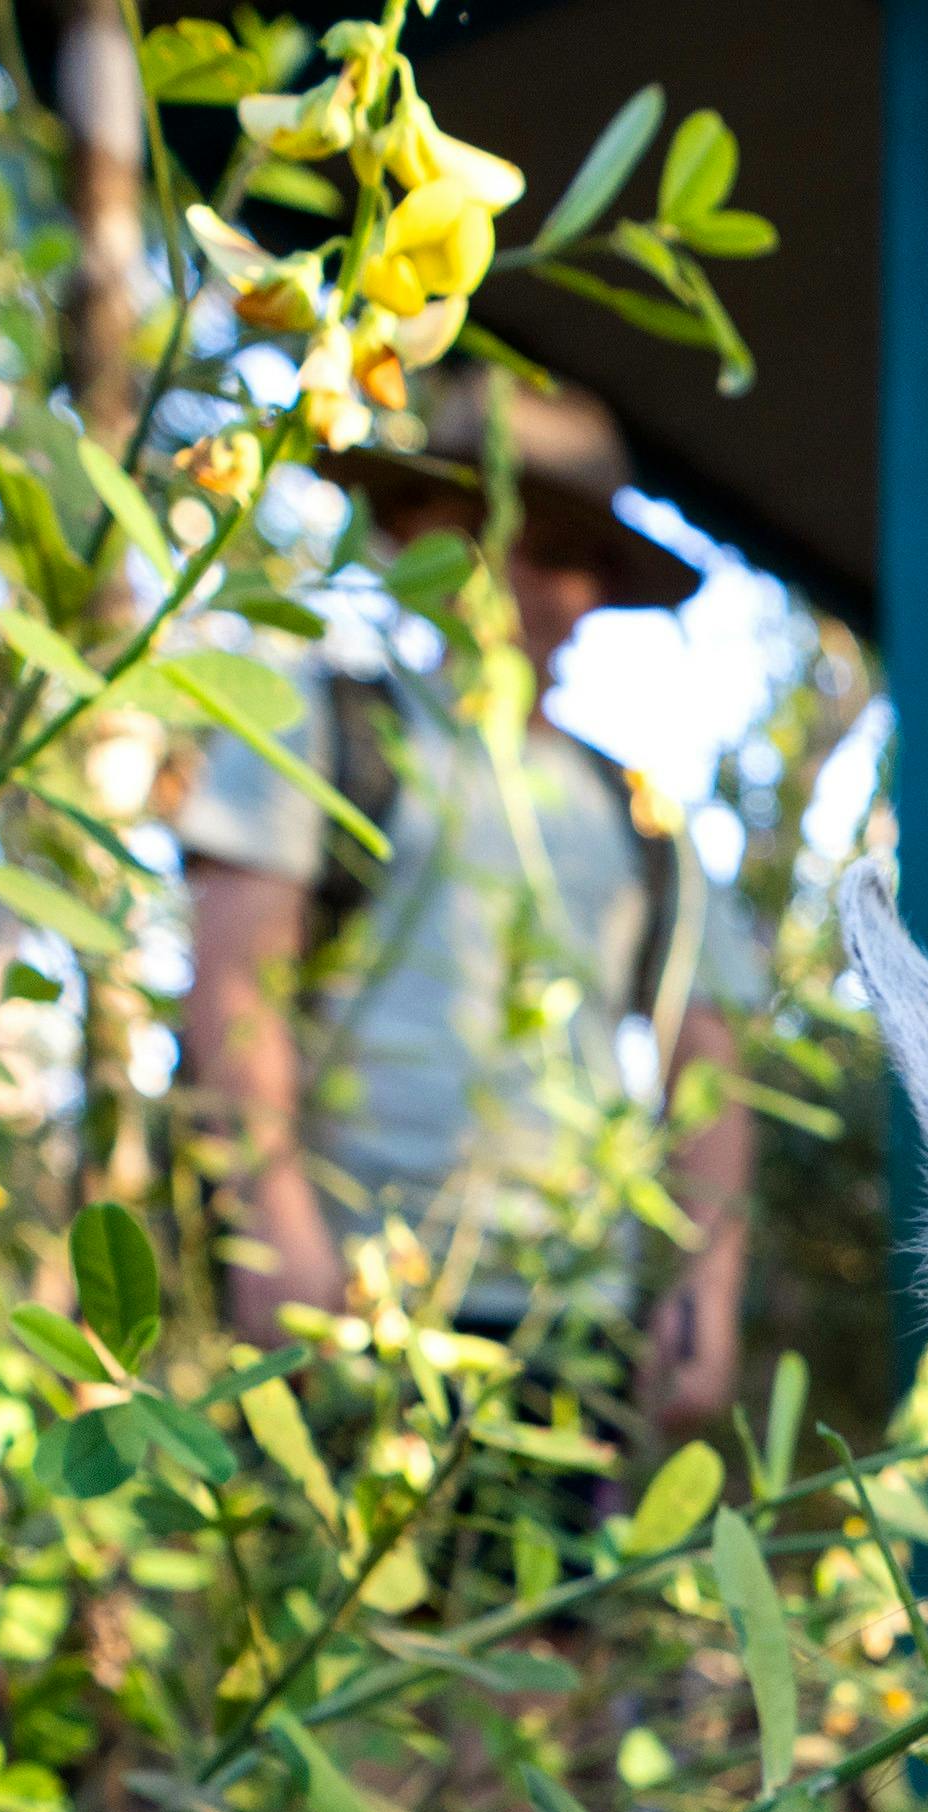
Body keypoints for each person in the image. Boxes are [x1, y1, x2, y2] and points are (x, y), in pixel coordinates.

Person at [179, 373, 757, 1437]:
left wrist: (705, 1286)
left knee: (543, 1608)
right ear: (412, 536)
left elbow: (705, 1063)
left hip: (564, 1320)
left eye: (566, 553)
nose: (526, 580)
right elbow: (232, 980)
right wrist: (272, 1223)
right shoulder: (320, 721)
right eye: (494, 534)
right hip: (347, 1293)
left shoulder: (638, 817)